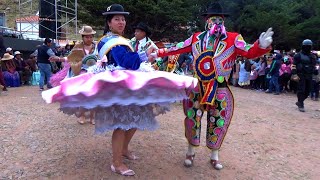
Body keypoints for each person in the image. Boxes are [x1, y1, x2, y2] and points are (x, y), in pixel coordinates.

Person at [42, 4, 197, 176]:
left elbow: (129, 61)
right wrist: (145, 54)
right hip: (121, 87)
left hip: (130, 85)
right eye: (117, 19)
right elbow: (126, 62)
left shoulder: (120, 40)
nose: (121, 22)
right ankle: (116, 163)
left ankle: (123, 150)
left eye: (123, 19)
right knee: (123, 124)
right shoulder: (109, 41)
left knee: (136, 118)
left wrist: (146, 55)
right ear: (109, 22)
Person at [150, 1, 273, 170]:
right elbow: (178, 48)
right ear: (206, 21)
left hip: (220, 87)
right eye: (212, 19)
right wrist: (160, 52)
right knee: (193, 118)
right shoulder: (195, 38)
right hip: (197, 87)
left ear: (224, 21)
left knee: (218, 120)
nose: (216, 23)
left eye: (219, 19)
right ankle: (190, 151)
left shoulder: (233, 38)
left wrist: (261, 46)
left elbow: (248, 51)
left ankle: (215, 154)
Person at [49, 25, 98, 125]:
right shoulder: (78, 47)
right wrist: (59, 59)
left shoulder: (96, 47)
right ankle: (82, 115)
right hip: (81, 73)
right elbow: (70, 58)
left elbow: (102, 57)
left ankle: (93, 116)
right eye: (86, 36)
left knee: (94, 95)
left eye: (91, 36)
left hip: (95, 72)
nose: (89, 38)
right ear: (82, 37)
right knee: (82, 95)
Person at [291, 39, 318, 112]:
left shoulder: (313, 56)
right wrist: (294, 74)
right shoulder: (298, 55)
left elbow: (314, 65)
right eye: (306, 46)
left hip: (309, 75)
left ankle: (300, 101)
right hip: (301, 74)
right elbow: (293, 65)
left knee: (308, 90)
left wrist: (315, 70)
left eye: (309, 46)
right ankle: (301, 104)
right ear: (303, 46)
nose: (308, 47)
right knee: (301, 90)